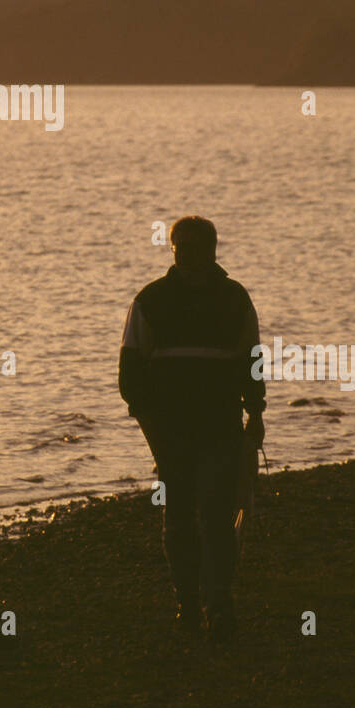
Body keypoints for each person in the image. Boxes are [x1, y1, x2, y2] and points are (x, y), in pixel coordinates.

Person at [118, 216, 265, 643]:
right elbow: (130, 374)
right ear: (173, 250)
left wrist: (255, 414)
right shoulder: (150, 301)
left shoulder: (235, 299)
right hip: (170, 431)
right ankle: (188, 604)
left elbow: (251, 362)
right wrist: (147, 422)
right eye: (183, 247)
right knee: (180, 516)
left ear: (214, 250)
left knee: (216, 516)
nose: (191, 255)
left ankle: (217, 606)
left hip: (220, 426)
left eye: (199, 247)